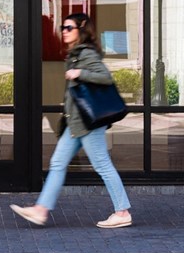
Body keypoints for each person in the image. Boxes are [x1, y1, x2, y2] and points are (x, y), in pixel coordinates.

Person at [10, 12, 132, 229]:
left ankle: (122, 211)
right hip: (76, 122)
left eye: (69, 28)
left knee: (102, 164)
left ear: (80, 30)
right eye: (62, 28)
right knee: (57, 163)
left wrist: (79, 73)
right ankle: (41, 210)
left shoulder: (86, 53)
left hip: (87, 122)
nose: (64, 32)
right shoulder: (75, 53)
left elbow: (105, 77)